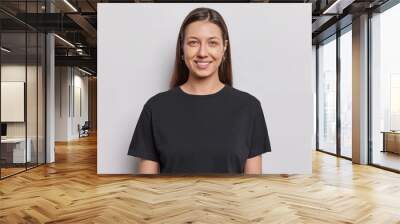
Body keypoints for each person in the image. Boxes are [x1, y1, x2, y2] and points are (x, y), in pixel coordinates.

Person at [128, 7, 271, 174]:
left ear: (224, 48)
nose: (203, 53)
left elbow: (252, 189)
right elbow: (147, 188)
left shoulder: (249, 107)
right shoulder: (155, 108)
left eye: (212, 43)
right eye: (193, 42)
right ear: (182, 48)